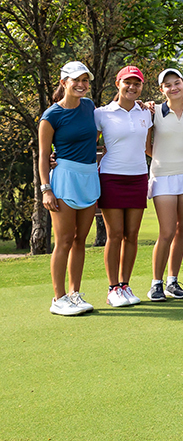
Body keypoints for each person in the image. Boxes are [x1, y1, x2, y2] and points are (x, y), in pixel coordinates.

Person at [39, 61, 99, 316]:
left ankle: (74, 294)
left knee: (79, 241)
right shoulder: (51, 115)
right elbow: (43, 156)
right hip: (64, 179)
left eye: (85, 80)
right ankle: (58, 298)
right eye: (76, 80)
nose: (81, 85)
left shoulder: (89, 106)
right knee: (63, 240)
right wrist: (45, 189)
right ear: (63, 82)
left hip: (88, 177)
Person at [95, 66, 152, 307]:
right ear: (118, 84)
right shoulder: (101, 114)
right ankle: (112, 288)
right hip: (111, 177)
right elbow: (84, 141)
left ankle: (125, 285)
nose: (132, 87)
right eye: (127, 82)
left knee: (132, 235)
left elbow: (148, 146)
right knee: (115, 235)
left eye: (136, 83)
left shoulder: (146, 113)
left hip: (139, 176)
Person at [147, 68, 183, 302]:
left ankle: (172, 281)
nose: (173, 88)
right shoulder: (154, 112)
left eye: (177, 83)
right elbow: (146, 145)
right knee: (167, 231)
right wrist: (161, 158)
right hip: (163, 175)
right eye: (168, 85)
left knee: (181, 230)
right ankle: (156, 283)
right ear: (162, 90)